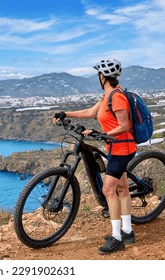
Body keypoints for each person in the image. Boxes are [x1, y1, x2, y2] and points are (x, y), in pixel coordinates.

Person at [53, 59, 137, 254]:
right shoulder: (106, 97)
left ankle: (117, 238)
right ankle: (127, 231)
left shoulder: (117, 97)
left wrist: (102, 135)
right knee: (122, 188)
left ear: (102, 76)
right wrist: (66, 113)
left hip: (122, 148)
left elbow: (124, 126)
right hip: (115, 147)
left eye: (98, 75)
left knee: (109, 190)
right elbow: (90, 112)